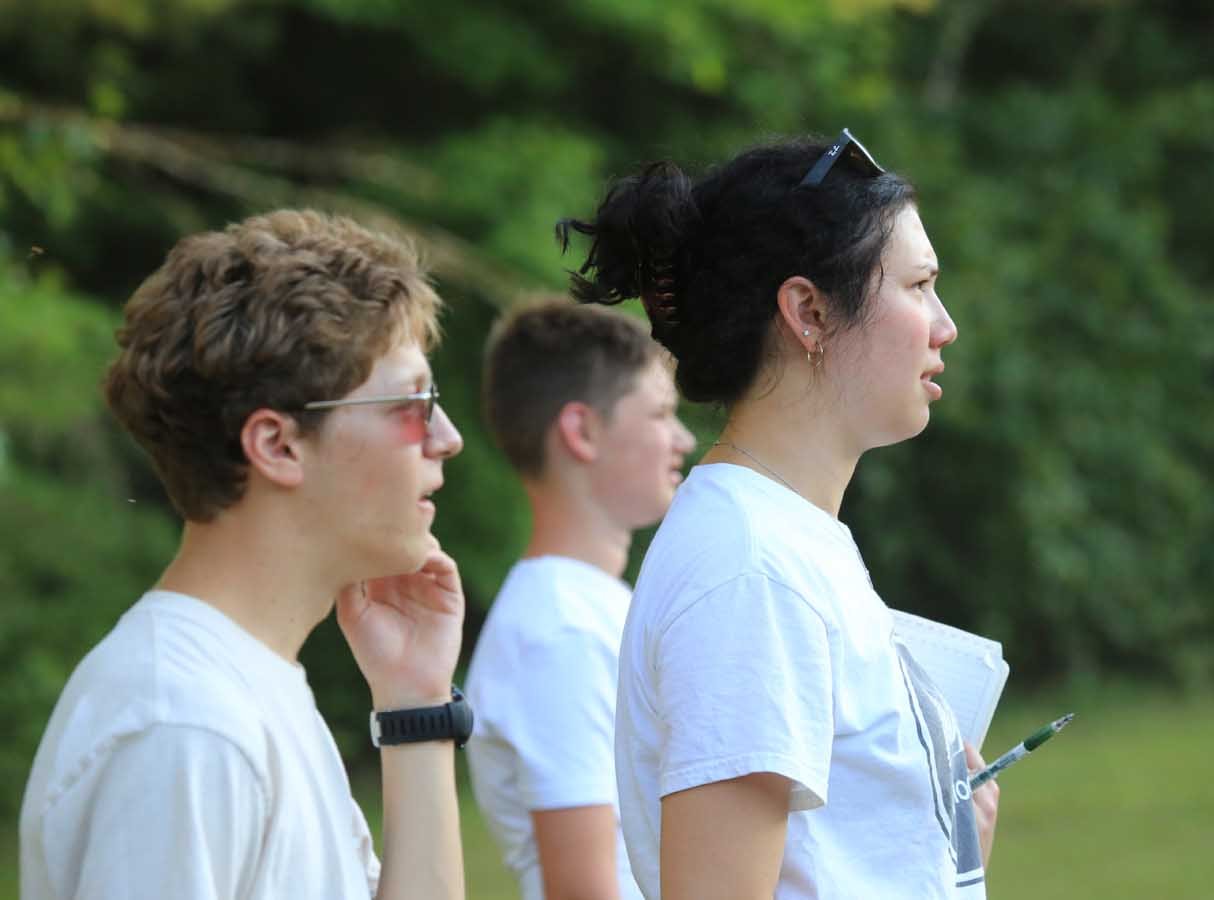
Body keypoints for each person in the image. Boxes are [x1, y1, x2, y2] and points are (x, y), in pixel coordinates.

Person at [557, 129, 1000, 900]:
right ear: (809, 312)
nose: (944, 323)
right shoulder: (750, 569)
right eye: (919, 285)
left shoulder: (787, 540)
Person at [20, 210, 471, 900]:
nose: (448, 437)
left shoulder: (243, 690)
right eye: (413, 403)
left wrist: (416, 703)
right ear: (278, 446)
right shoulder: (185, 727)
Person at [465, 300, 694, 900]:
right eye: (661, 414)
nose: (684, 439)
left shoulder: (593, 610)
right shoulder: (558, 633)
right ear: (582, 431)